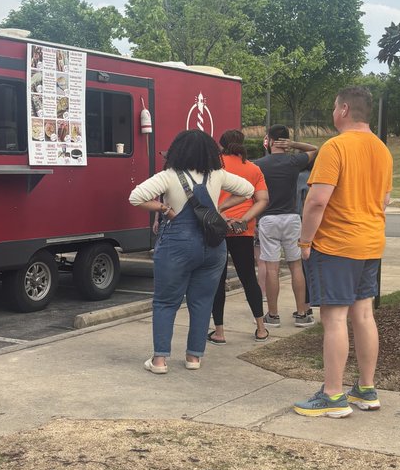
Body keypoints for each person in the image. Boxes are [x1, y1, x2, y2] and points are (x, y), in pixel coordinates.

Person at [293, 87, 393, 418]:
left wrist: (305, 241)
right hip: (370, 243)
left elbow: (317, 200)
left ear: (345, 109)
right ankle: (366, 389)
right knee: (363, 314)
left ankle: (333, 395)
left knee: (334, 317)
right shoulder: (382, 150)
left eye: (335, 107)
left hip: (336, 244)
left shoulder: (334, 147)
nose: (333, 112)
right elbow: (384, 200)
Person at [130, 129, 256, 373]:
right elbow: (248, 190)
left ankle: (159, 360)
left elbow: (136, 197)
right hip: (212, 246)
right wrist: (218, 207)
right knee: (202, 302)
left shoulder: (167, 176)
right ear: (210, 152)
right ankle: (193, 357)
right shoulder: (218, 175)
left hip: (177, 244)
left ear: (177, 151)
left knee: (166, 302)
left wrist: (165, 210)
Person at [207, 130, 269, 344]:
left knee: (217, 280)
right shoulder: (254, 169)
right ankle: (261, 328)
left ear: (221, 145)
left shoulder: (213, 166)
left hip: (217, 227)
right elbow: (262, 199)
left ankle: (220, 332)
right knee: (248, 278)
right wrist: (243, 219)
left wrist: (221, 214)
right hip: (243, 230)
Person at [255, 125, 318, 328]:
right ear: (285, 141)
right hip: (291, 218)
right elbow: (316, 150)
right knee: (296, 266)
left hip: (268, 219)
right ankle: (301, 313)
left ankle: (272, 315)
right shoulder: (294, 161)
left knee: (271, 268)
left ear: (270, 141)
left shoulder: (259, 165)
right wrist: (294, 145)